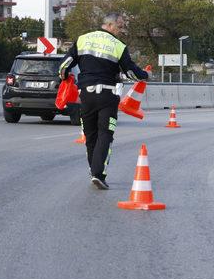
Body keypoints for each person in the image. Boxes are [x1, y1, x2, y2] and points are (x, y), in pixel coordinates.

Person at [59, 13, 149, 190]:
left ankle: (94, 171)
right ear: (110, 25)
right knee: (105, 134)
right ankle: (98, 174)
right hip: (107, 96)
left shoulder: (83, 39)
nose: (122, 29)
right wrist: (145, 76)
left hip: (85, 96)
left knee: (90, 135)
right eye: (120, 25)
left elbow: (65, 65)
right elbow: (131, 72)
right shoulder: (118, 46)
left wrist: (64, 76)